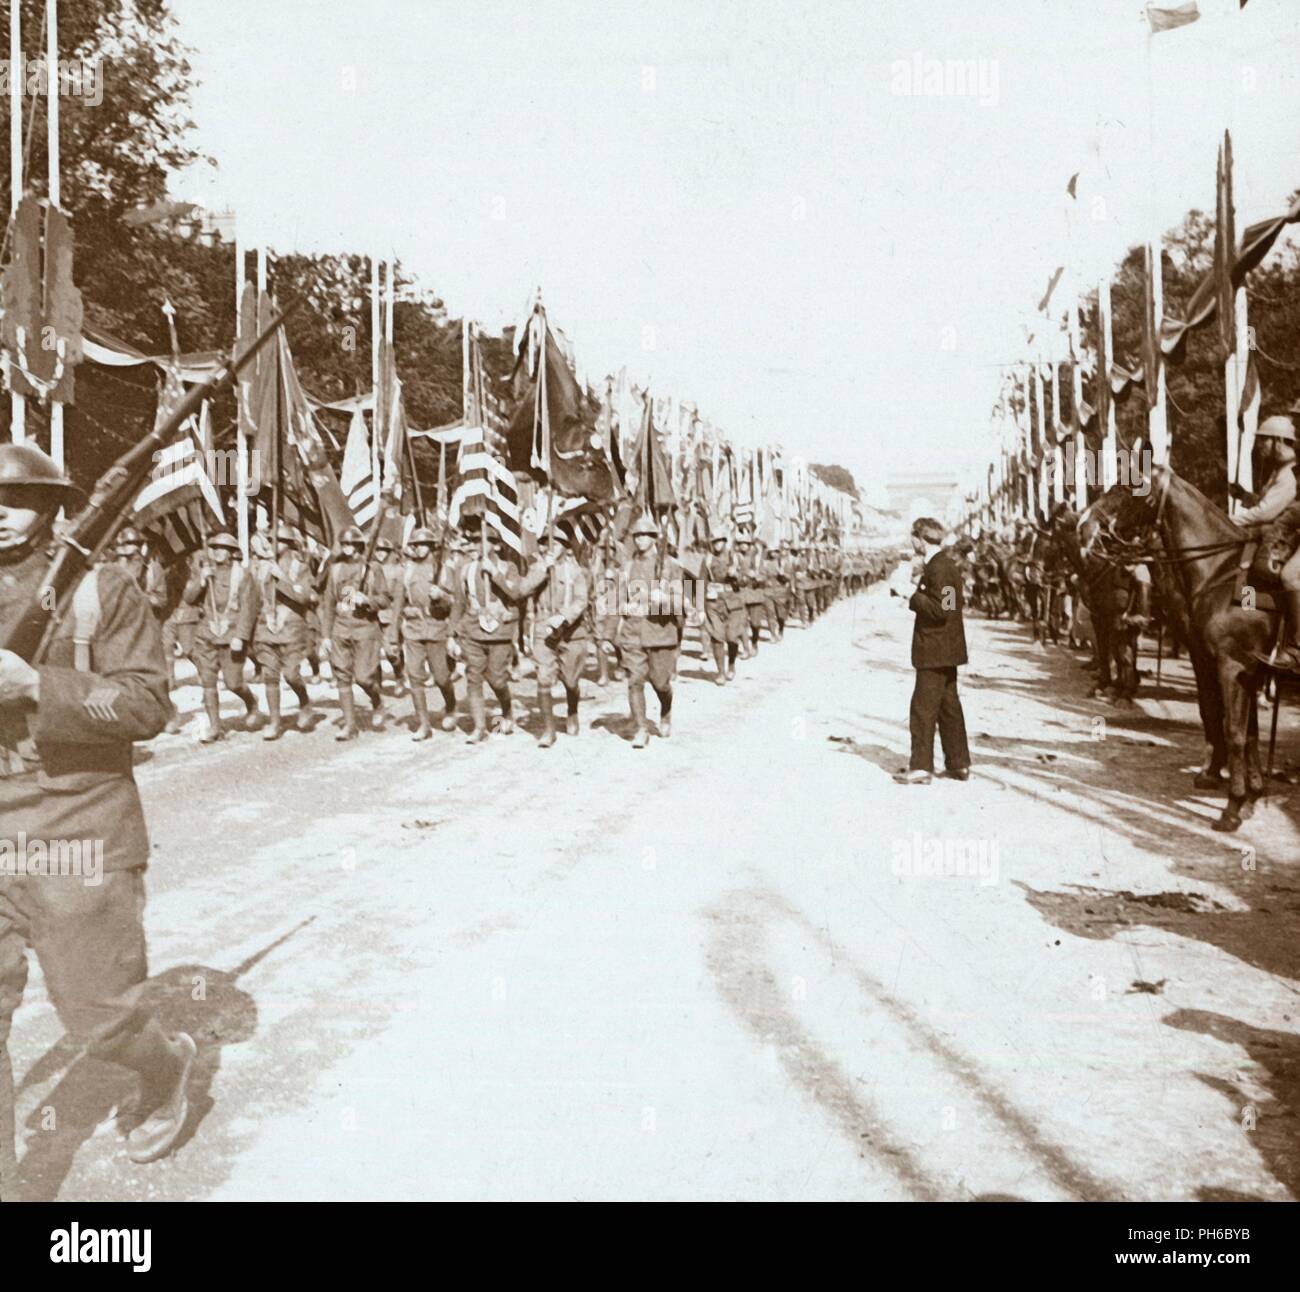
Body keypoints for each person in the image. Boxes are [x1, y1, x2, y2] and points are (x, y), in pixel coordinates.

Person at [0, 444, 196, 1181]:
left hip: (74, 823)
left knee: (99, 1017)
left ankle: (166, 1065)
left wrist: (36, 687)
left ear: (54, 507)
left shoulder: (100, 589)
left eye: (12, 498)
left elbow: (145, 702)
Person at [894, 516, 971, 785]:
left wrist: (909, 595)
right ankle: (959, 763)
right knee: (949, 706)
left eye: (913, 539)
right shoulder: (946, 565)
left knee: (922, 709)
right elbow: (948, 606)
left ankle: (921, 767)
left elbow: (941, 611)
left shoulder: (937, 568)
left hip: (934, 649)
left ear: (919, 539)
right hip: (948, 649)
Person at [1231, 415, 1300, 669]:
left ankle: (1296, 647)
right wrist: (1246, 497)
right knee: (1248, 572)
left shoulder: (1289, 476)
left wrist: (1232, 521)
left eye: (1264, 441)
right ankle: (1249, 621)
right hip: (1282, 531)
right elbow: (1268, 506)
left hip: (1288, 533)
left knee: (1289, 576)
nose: (1260, 447)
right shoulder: (1283, 472)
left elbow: (1268, 512)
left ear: (1278, 441)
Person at [452, 522, 529, 744]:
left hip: (500, 632)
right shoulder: (466, 569)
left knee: (496, 678)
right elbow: (460, 602)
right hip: (473, 631)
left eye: (481, 540)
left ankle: (506, 710)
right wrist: (452, 634)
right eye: (474, 541)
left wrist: (494, 573)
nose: (476, 545)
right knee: (473, 678)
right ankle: (479, 728)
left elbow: (515, 594)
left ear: (495, 545)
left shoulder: (508, 568)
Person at [182, 531, 262, 742]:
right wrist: (201, 580)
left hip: (231, 637)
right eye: (215, 548)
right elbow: (188, 599)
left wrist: (241, 636)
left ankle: (252, 702)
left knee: (233, 683)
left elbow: (249, 609)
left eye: (223, 549)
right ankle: (215, 727)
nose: (218, 552)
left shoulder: (243, 575)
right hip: (207, 635)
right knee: (207, 682)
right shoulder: (205, 572)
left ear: (232, 552)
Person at [319, 527, 390, 741]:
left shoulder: (372, 568)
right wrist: (326, 635)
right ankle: (350, 725)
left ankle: (377, 701)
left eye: (352, 544)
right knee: (342, 676)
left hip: (365, 628)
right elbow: (329, 602)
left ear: (360, 546)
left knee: (363, 677)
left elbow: (385, 599)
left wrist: (367, 600)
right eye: (345, 544)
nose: (348, 548)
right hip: (341, 627)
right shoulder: (336, 569)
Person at [521, 527, 591, 747]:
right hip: (543, 629)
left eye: (553, 544)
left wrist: (563, 616)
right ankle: (549, 731)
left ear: (565, 548)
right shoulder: (536, 568)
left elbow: (581, 600)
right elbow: (523, 589)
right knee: (543, 678)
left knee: (570, 681)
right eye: (543, 544)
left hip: (570, 632)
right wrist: (543, 568)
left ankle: (572, 710)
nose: (546, 548)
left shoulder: (576, 572)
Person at [247, 524, 317, 740]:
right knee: (270, 676)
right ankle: (275, 722)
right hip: (265, 629)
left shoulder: (300, 567)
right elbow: (252, 600)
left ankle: (304, 702)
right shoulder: (259, 568)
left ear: (288, 545)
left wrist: (283, 579)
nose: (271, 544)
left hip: (292, 630)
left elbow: (304, 597)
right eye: (270, 540)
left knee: (291, 675)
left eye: (277, 540)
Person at [617, 514, 682, 749]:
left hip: (660, 633)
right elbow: (615, 597)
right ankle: (641, 728)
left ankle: (666, 711)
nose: (641, 540)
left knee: (660, 682)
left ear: (655, 538)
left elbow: (685, 602)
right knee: (635, 681)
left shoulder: (671, 566)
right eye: (637, 536)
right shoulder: (627, 567)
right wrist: (620, 608)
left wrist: (663, 599)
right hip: (633, 632)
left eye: (646, 535)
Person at [392, 526, 459, 740]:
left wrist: (442, 595)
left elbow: (455, 602)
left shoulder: (442, 569)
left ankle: (451, 706)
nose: (418, 549)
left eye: (422, 545)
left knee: (441, 677)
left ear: (431, 547)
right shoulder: (406, 570)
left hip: (436, 626)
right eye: (415, 545)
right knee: (414, 675)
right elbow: (397, 604)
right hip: (413, 628)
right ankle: (424, 724)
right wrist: (393, 636)